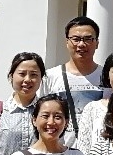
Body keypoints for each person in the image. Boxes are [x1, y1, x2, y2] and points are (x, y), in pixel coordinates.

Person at [41, 16, 106, 146]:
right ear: (67, 42)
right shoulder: (50, 77)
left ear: (97, 43)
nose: (81, 44)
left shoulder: (107, 76)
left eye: (88, 39)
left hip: (98, 151)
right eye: (76, 39)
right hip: (60, 150)